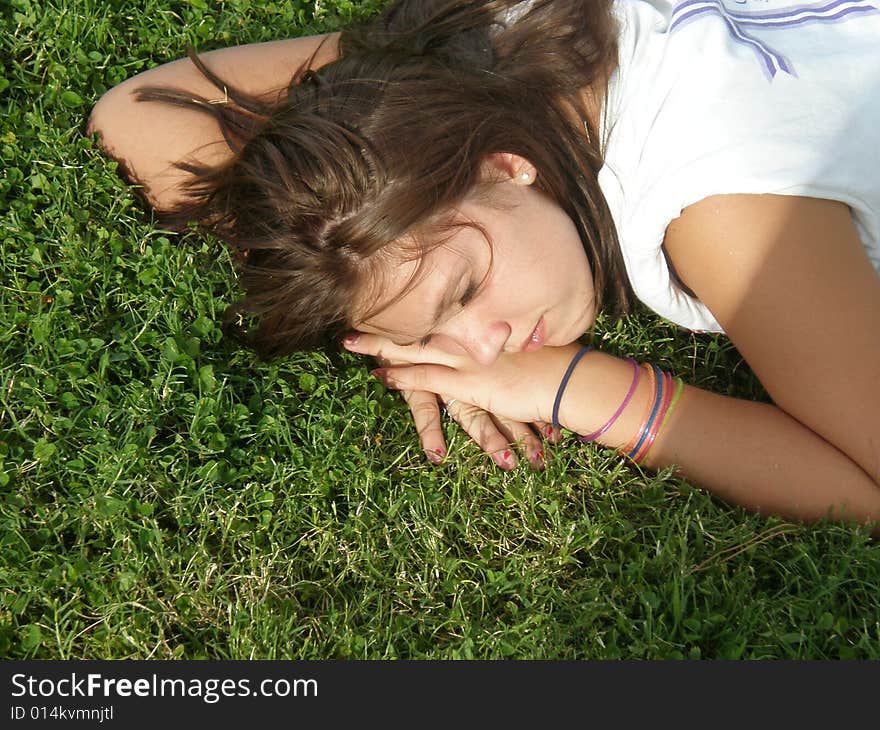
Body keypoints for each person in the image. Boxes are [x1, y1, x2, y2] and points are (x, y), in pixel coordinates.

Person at [88, 0, 880, 533]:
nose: (488, 345)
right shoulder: (521, 37)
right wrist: (374, 101)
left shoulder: (716, 206)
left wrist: (571, 386)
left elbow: (865, 488)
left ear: (507, 166)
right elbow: (134, 116)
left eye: (465, 288)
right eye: (441, 335)